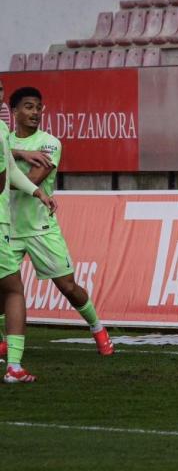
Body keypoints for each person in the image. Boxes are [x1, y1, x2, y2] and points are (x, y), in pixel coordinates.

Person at [4, 88, 111, 357]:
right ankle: (7, 346)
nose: (35, 113)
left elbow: (35, 179)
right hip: (8, 229)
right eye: (28, 107)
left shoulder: (50, 143)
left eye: (39, 108)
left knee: (68, 287)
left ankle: (98, 328)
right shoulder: (6, 140)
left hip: (41, 228)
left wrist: (9, 167)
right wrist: (16, 154)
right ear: (14, 111)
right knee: (4, 289)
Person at [0, 81, 58, 383]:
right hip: (2, 224)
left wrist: (37, 192)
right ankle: (13, 366)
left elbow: (10, 171)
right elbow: (3, 179)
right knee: (12, 291)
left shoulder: (6, 134)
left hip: (21, 225)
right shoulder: (2, 133)